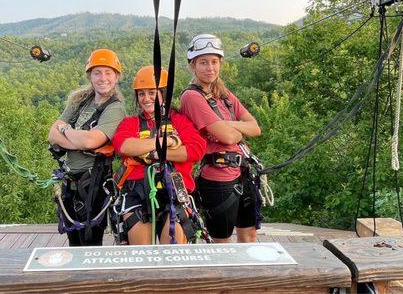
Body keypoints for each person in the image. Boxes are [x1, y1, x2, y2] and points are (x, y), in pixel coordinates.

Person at [180, 34, 263, 243]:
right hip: (218, 178)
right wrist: (235, 130)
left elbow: (255, 128)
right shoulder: (191, 97)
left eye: (214, 62)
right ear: (193, 65)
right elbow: (227, 137)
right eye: (203, 62)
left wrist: (229, 125)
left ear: (220, 63)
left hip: (243, 171)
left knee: (249, 234)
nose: (210, 68)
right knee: (221, 242)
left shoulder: (223, 94)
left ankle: (249, 275)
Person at [111, 66, 206, 245]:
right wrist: (167, 142)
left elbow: (196, 149)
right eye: (141, 94)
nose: (146, 99)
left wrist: (151, 153)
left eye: (152, 93)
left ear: (163, 93)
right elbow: (123, 145)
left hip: (175, 191)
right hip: (138, 191)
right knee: (141, 255)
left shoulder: (179, 120)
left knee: (173, 255)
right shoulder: (130, 123)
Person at [48, 49, 127, 246]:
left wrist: (66, 130)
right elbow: (52, 134)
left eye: (108, 73)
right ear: (90, 76)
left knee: (90, 244)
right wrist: (77, 139)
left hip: (94, 184)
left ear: (116, 76)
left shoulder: (115, 108)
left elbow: (90, 141)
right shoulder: (80, 100)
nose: (103, 78)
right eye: (97, 73)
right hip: (70, 183)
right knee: (74, 242)